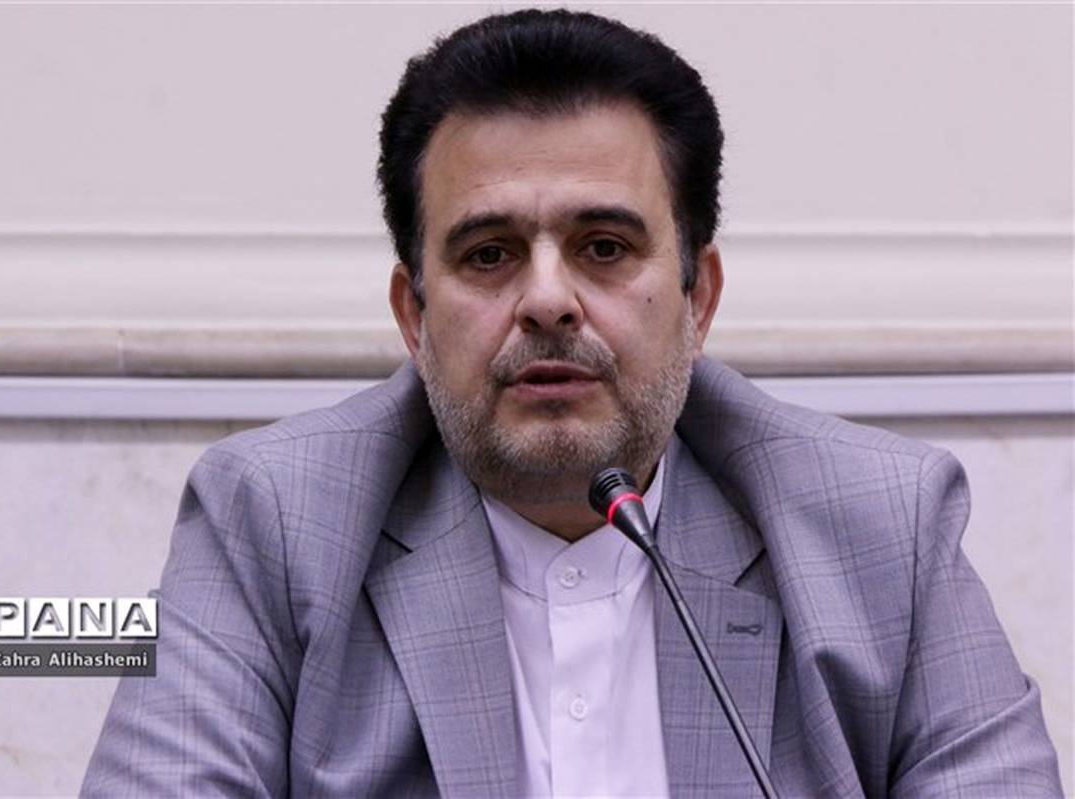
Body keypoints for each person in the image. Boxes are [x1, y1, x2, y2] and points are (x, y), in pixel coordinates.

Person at [82, 9, 1062, 797]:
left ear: (699, 298)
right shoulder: (271, 523)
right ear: (413, 316)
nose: (548, 300)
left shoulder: (884, 528)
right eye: (489, 254)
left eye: (603, 247)